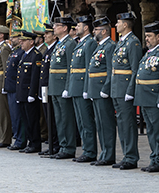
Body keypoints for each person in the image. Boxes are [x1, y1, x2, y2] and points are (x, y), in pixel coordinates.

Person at [136, 22, 159, 173]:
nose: (147, 39)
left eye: (150, 36)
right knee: (151, 131)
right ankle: (154, 158)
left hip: (155, 97)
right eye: (146, 36)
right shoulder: (149, 53)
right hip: (145, 97)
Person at [111, 12, 143, 170]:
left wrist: (131, 90)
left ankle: (131, 157)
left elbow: (135, 69)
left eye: (118, 22)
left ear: (125, 25)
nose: (116, 25)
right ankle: (126, 155)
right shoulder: (121, 42)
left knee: (128, 124)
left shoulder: (133, 43)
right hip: (117, 88)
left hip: (125, 88)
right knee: (122, 124)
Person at [87, 17, 117, 166]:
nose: (94, 32)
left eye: (97, 30)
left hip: (102, 89)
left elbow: (111, 70)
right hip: (95, 89)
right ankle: (104, 152)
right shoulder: (99, 47)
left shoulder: (110, 46)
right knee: (100, 123)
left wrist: (106, 88)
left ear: (104, 31)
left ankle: (109, 154)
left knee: (107, 123)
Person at [68, 16, 98, 163]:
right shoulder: (80, 43)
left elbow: (88, 68)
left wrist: (87, 88)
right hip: (76, 86)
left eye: (78, 26)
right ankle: (86, 149)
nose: (76, 29)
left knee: (86, 121)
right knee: (80, 121)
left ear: (86, 28)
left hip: (82, 86)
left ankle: (90, 151)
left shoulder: (90, 43)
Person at [48, 16, 77, 159]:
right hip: (55, 85)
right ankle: (63, 145)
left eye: (56, 25)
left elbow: (71, 67)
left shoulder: (70, 44)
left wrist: (68, 87)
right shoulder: (60, 44)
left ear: (65, 28)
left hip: (62, 85)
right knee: (59, 118)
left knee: (66, 118)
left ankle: (69, 147)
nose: (54, 28)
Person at [16, 31, 43, 154]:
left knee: (32, 120)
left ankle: (35, 143)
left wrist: (32, 94)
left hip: (29, 94)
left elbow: (34, 77)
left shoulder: (36, 55)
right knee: (26, 120)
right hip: (22, 94)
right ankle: (29, 142)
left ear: (31, 42)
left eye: (24, 40)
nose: (21, 42)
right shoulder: (24, 55)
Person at [4, 31, 26, 150]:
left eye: (14, 37)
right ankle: (17, 138)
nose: (11, 39)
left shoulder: (21, 52)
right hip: (11, 88)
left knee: (18, 116)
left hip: (16, 88)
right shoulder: (14, 52)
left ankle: (20, 140)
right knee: (14, 115)